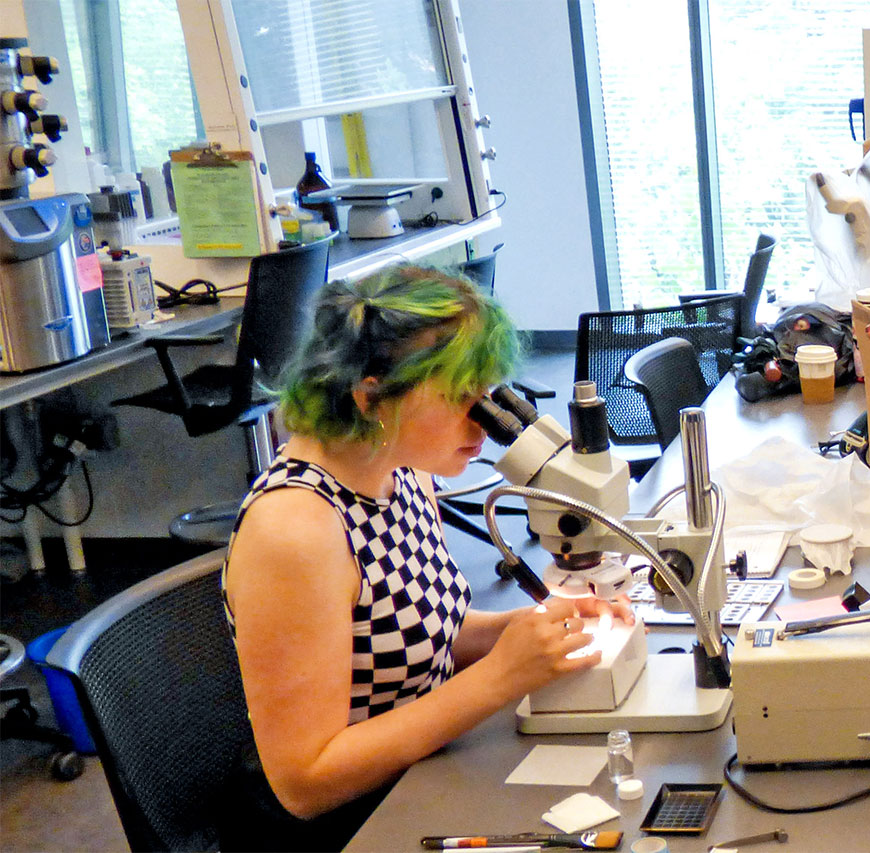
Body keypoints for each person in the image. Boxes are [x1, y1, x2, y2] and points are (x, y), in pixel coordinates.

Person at [221, 265, 627, 850]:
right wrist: (499, 678)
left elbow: (421, 636)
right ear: (370, 397)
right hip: (345, 826)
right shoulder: (295, 529)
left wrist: (532, 628)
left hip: (421, 774)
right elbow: (305, 784)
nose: (483, 422)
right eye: (462, 398)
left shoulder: (401, 470)